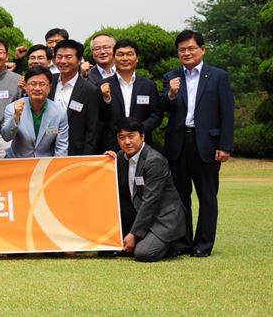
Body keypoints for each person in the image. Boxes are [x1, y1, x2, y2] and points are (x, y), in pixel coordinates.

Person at [161, 29, 234, 257]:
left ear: (202, 49)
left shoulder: (218, 76)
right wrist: (171, 93)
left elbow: (227, 113)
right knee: (180, 196)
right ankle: (182, 242)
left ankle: (203, 244)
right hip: (178, 144)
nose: (186, 53)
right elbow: (163, 107)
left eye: (191, 48)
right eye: (182, 49)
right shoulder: (171, 77)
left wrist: (225, 145)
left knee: (207, 196)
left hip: (207, 145)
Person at [103, 117, 192, 262]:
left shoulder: (154, 161)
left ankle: (173, 244)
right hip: (139, 214)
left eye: (131, 136)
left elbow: (150, 202)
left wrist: (133, 234)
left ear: (142, 136)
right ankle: (143, 237)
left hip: (162, 218)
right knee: (108, 248)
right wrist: (106, 162)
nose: (127, 142)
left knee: (143, 253)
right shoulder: (120, 158)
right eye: (121, 137)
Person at [100, 39, 162, 152]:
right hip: (111, 147)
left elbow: (156, 114)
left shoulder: (148, 85)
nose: (125, 58)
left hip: (142, 144)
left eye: (129, 54)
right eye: (120, 54)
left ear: (137, 58)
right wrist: (105, 98)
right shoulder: (102, 85)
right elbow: (98, 117)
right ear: (114, 58)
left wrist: (138, 131)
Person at [1, 66, 68, 158]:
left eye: (42, 84)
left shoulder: (60, 113)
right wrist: (16, 117)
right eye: (33, 84)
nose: (37, 88)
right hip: (18, 161)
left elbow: (61, 148)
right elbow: (6, 137)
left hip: (45, 162)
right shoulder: (12, 108)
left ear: (50, 87)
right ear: (26, 86)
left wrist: (56, 166)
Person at [49, 40, 101, 156]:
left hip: (75, 153)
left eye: (68, 57)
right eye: (59, 57)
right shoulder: (48, 82)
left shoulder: (90, 91)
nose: (63, 61)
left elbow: (92, 130)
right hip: (45, 152)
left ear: (79, 60)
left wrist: (86, 158)